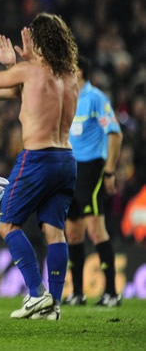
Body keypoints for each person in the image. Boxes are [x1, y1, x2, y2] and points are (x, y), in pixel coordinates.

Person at [0, 13, 79, 320]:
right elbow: (29, 95)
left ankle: (36, 294)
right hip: (66, 160)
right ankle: (53, 306)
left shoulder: (30, 70)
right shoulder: (70, 75)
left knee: (7, 224)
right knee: (54, 231)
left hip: (37, 158)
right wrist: (15, 64)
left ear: (40, 42)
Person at [64, 56, 123, 307]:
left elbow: (115, 134)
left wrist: (109, 171)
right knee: (73, 233)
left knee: (95, 229)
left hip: (92, 171)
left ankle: (111, 292)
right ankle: (77, 293)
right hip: (70, 169)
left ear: (79, 72)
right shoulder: (66, 98)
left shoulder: (96, 98)